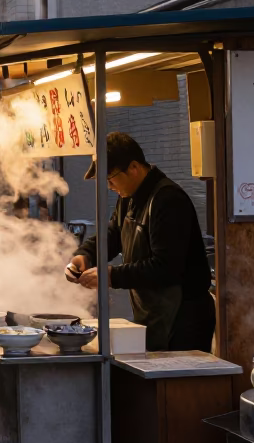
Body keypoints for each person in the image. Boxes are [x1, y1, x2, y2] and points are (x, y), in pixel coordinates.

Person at [67, 132, 214, 352]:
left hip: (184, 320)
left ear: (134, 168)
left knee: (173, 386)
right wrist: (85, 254)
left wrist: (111, 275)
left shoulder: (168, 200)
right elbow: (113, 234)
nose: (109, 186)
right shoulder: (128, 197)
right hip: (154, 316)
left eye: (111, 178)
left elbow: (166, 267)